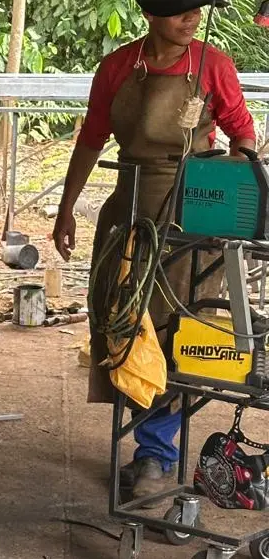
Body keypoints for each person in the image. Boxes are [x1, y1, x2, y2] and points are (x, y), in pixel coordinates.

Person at [52, 0, 256, 506]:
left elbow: (244, 136)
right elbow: (92, 137)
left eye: (196, 10)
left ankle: (156, 454)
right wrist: (66, 208)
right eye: (178, 10)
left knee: (173, 334)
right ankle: (142, 437)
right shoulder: (119, 66)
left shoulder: (214, 66)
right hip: (129, 211)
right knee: (125, 328)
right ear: (149, 12)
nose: (190, 19)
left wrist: (226, 181)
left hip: (192, 218)